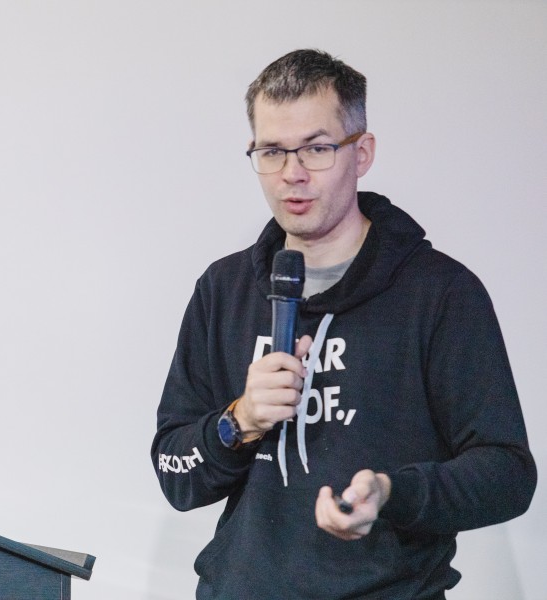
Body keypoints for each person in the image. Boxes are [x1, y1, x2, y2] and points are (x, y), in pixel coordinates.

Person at [150, 49, 536, 600]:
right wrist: (240, 420)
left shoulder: (440, 293)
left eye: (317, 148)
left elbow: (507, 475)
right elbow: (175, 475)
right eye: (272, 151)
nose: (293, 173)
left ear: (362, 153)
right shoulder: (223, 290)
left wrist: (392, 493)